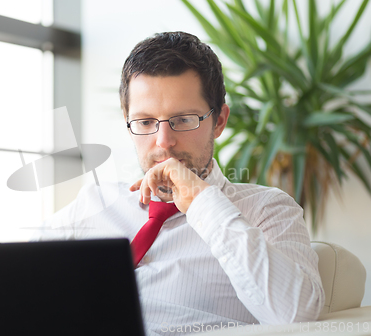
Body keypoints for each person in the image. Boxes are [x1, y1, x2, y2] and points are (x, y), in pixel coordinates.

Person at [33, 31, 325, 335]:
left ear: (219, 121)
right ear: (128, 122)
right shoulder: (95, 203)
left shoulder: (268, 209)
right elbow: (12, 275)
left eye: (184, 120)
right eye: (145, 122)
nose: (164, 142)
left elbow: (297, 316)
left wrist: (202, 201)